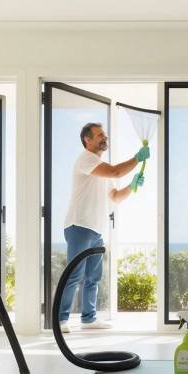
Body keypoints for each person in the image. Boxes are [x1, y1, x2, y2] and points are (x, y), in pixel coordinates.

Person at [58, 122, 148, 333]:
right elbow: (116, 172)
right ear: (87, 141)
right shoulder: (86, 159)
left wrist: (132, 186)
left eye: (104, 135)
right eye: (99, 135)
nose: (104, 138)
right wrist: (138, 158)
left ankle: (89, 319)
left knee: (93, 277)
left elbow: (115, 197)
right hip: (79, 225)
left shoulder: (100, 169)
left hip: (97, 230)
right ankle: (61, 319)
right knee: (74, 275)